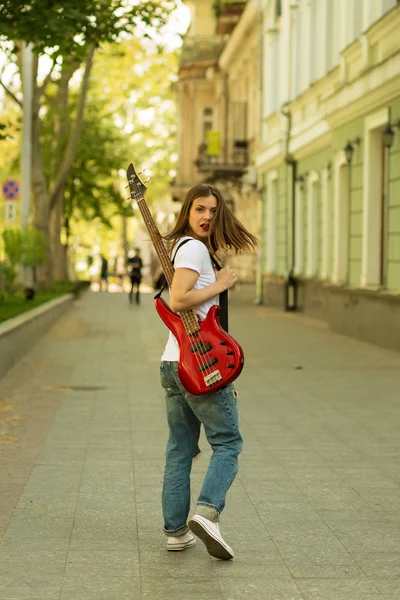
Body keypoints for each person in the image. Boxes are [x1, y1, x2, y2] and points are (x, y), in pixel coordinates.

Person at [160, 183, 258, 559]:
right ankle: (207, 513)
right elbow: (178, 299)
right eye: (199, 209)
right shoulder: (195, 249)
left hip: (173, 363)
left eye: (213, 211)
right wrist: (219, 284)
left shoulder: (183, 248)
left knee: (180, 449)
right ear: (187, 211)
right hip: (200, 363)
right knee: (228, 444)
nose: (206, 217)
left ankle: (175, 532)